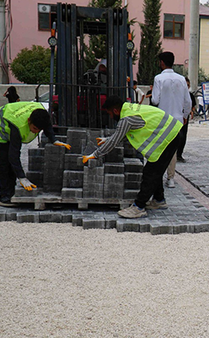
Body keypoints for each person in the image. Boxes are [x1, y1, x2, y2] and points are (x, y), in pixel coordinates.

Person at [82, 95, 183, 219]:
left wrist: (94, 155)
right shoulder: (130, 109)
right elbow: (122, 134)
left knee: (150, 173)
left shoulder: (126, 118)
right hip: (172, 134)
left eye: (109, 114)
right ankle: (159, 200)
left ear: (115, 111)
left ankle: (138, 207)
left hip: (169, 138)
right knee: (155, 171)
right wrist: (107, 139)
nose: (110, 117)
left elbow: (115, 141)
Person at [0, 102, 71, 207]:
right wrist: (22, 177)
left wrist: (54, 140)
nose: (35, 132)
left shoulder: (41, 112)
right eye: (35, 128)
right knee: (4, 161)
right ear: (28, 121)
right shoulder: (19, 127)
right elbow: (14, 155)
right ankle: (4, 196)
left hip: (10, 120)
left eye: (39, 130)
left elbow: (47, 125)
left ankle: (11, 191)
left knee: (11, 163)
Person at [151, 51, 192, 188]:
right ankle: (171, 178)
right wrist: (185, 116)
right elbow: (188, 102)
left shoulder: (158, 79)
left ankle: (158, 175)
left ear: (162, 62)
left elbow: (155, 100)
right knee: (173, 149)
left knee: (161, 148)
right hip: (177, 120)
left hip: (163, 119)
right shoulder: (181, 79)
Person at [176, 76, 197, 162]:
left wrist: (191, 111)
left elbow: (193, 106)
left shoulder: (190, 95)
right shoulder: (176, 95)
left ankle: (179, 154)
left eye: (188, 85)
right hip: (177, 116)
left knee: (183, 136)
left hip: (185, 117)